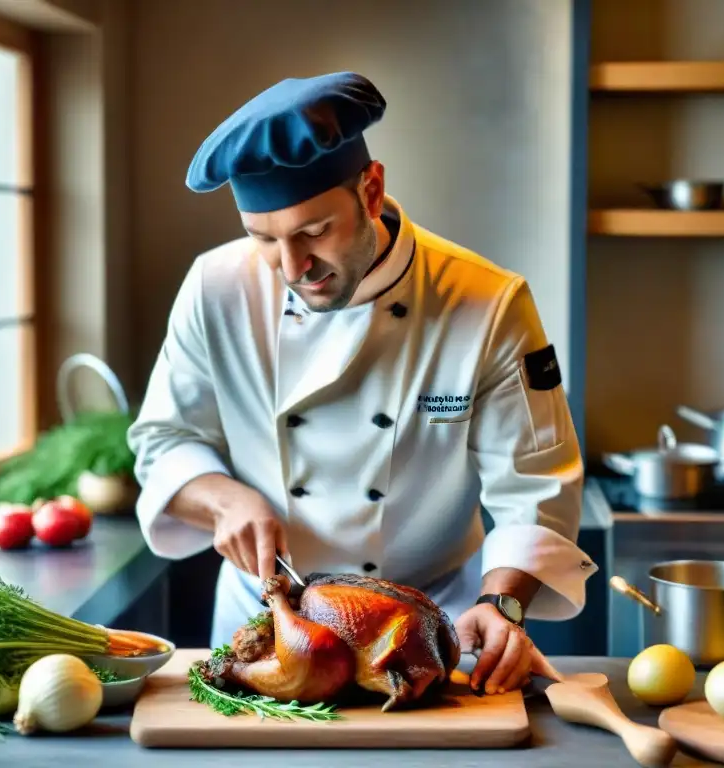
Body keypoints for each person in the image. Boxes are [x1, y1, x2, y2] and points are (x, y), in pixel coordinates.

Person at [127, 71, 598, 697]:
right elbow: (163, 440)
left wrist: (504, 605)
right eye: (264, 239)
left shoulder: (485, 302)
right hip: (269, 626)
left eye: (314, 232)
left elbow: (535, 482)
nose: (292, 268)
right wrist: (223, 500)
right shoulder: (215, 289)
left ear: (371, 191)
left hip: (427, 629)